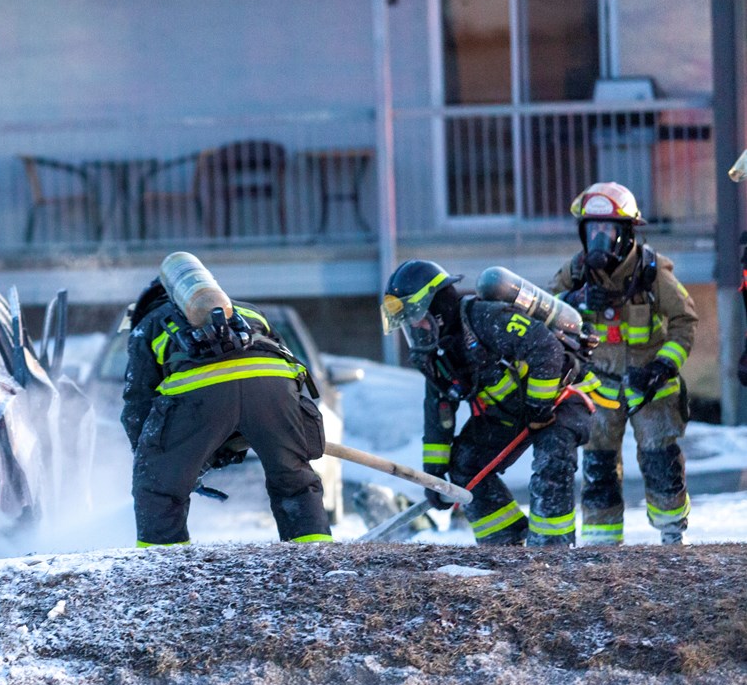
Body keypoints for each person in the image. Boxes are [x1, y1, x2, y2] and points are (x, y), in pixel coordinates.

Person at [121, 252, 330, 547]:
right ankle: (315, 556)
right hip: (273, 390)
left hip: (200, 396)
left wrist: (153, 457)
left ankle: (163, 568)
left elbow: (137, 405)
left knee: (158, 490)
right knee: (294, 481)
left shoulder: (149, 325)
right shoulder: (249, 312)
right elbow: (270, 374)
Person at [382, 260, 596, 547]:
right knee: (465, 466)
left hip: (561, 397)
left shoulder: (487, 318)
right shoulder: (435, 356)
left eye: (417, 317)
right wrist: (433, 474)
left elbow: (546, 349)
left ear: (438, 308)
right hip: (510, 413)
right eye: (407, 321)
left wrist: (538, 406)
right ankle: (504, 543)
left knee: (551, 457)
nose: (413, 326)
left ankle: (552, 549)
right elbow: (438, 411)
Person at [551, 182, 699, 545]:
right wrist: (575, 297)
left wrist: (662, 367)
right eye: (593, 230)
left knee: (659, 458)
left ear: (627, 232)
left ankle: (671, 534)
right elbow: (548, 309)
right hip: (599, 386)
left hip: (651, 386)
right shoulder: (577, 272)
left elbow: (685, 320)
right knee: (598, 466)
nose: (600, 238)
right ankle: (603, 546)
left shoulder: (652, 272)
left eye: (608, 229)